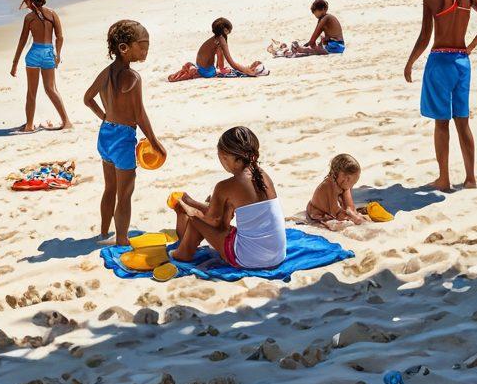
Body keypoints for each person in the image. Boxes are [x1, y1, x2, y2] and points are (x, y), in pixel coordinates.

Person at [404, 0, 477, 192]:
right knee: (463, 121)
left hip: (439, 62)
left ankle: (444, 179)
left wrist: (410, 63)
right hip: (462, 62)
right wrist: (472, 45)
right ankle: (470, 178)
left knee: (442, 122)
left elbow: (425, 38)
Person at [84, 20, 164, 246]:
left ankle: (103, 232)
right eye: (142, 46)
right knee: (125, 193)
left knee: (109, 188)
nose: (146, 50)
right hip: (123, 139)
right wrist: (154, 141)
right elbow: (139, 114)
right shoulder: (133, 77)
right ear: (124, 48)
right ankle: (121, 239)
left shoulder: (105, 73)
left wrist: (105, 116)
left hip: (106, 134)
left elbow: (87, 99)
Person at [170, 127, 286, 269]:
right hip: (278, 256)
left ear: (225, 157)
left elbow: (212, 222)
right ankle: (186, 237)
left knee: (195, 219)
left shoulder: (225, 187)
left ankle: (182, 254)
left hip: (249, 259)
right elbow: (223, 222)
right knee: (213, 216)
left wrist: (188, 207)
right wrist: (194, 202)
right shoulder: (263, 176)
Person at [9, 0, 71, 132]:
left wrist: (15, 63)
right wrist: (58, 55)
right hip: (49, 53)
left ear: (29, 0)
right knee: (51, 89)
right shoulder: (52, 14)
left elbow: (22, 40)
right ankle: (66, 121)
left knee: (31, 92)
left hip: (34, 54)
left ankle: (29, 125)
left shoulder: (29, 18)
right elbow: (60, 37)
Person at [168, 17, 267, 80]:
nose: (230, 32)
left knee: (219, 50)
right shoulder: (221, 41)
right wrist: (248, 71)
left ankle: (219, 68)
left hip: (200, 65)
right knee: (223, 59)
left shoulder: (215, 39)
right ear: (225, 30)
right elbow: (232, 62)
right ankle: (221, 69)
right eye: (229, 30)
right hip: (208, 72)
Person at [306, 154, 364, 226]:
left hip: (331, 213)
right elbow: (336, 212)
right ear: (345, 178)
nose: (352, 186)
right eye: (353, 183)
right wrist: (353, 218)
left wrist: (354, 215)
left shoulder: (344, 185)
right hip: (317, 214)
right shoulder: (328, 185)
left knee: (358, 219)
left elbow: (350, 206)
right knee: (340, 225)